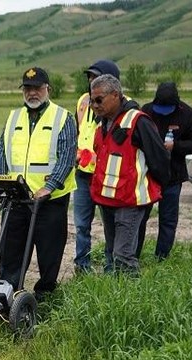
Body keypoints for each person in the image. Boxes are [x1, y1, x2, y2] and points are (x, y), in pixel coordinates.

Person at [0, 66, 78, 300]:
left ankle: (45, 295)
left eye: (37, 88)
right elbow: (2, 151)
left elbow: (67, 156)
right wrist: (1, 182)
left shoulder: (63, 118)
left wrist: (49, 188)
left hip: (50, 200)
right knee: (11, 250)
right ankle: (7, 294)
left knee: (49, 251)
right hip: (17, 198)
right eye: (27, 88)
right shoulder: (13, 118)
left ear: (47, 89)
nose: (32, 93)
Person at [89, 74, 170, 275]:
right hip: (107, 200)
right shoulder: (102, 124)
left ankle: (132, 300)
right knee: (111, 252)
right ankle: (114, 297)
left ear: (115, 95)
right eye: (92, 100)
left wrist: (157, 189)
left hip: (130, 202)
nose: (94, 105)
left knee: (123, 255)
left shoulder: (138, 121)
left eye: (99, 100)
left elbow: (159, 159)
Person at [137, 82, 192, 260]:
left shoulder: (188, 115)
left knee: (168, 219)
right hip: (148, 176)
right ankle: (133, 254)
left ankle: (161, 256)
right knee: (140, 218)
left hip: (173, 177)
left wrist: (176, 146)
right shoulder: (146, 111)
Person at [73, 59, 122, 274]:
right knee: (81, 225)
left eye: (96, 77)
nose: (91, 81)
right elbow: (78, 130)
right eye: (90, 77)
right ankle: (82, 268)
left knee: (111, 226)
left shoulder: (121, 106)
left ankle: (111, 267)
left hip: (108, 176)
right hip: (83, 174)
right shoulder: (83, 101)